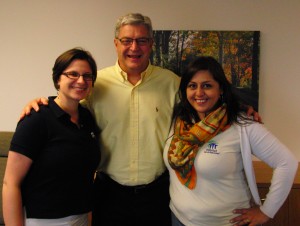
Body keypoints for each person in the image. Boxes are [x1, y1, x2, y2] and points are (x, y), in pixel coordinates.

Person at [19, 13, 261, 226]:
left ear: (151, 44)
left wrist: (241, 108)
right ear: (116, 43)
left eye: (142, 40)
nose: (134, 47)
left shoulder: (172, 83)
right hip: (108, 193)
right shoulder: (97, 83)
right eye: (127, 40)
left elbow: (204, 101)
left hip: (158, 193)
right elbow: (68, 105)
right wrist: (43, 103)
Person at [163, 56, 298, 226]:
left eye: (207, 85)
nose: (199, 93)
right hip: (179, 219)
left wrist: (267, 211)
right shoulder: (179, 121)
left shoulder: (242, 124)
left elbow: (287, 162)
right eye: (192, 86)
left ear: (220, 89)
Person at [2, 48, 101, 226]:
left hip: (81, 217)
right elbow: (11, 183)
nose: (81, 81)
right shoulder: (37, 118)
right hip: (43, 220)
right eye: (73, 74)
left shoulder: (87, 118)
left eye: (87, 76)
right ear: (57, 79)